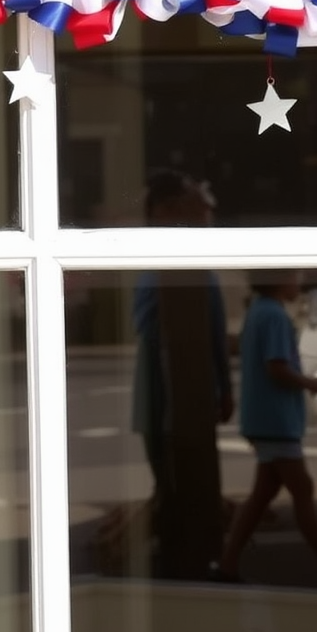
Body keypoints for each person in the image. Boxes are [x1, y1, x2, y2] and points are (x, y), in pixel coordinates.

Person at [212, 274, 317, 589]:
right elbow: (277, 367)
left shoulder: (260, 311)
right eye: (293, 276)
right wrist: (314, 384)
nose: (299, 283)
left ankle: (228, 565)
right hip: (275, 421)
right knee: (302, 490)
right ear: (278, 279)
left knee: (262, 496)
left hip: (264, 420)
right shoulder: (274, 315)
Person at [131, 170, 233, 577]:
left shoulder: (191, 267)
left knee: (187, 487)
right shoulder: (163, 267)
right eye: (195, 202)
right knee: (174, 486)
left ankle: (190, 556)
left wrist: (222, 387)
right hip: (167, 396)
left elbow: (213, 334)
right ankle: (180, 559)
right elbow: (154, 327)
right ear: (166, 211)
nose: (206, 211)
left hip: (187, 397)